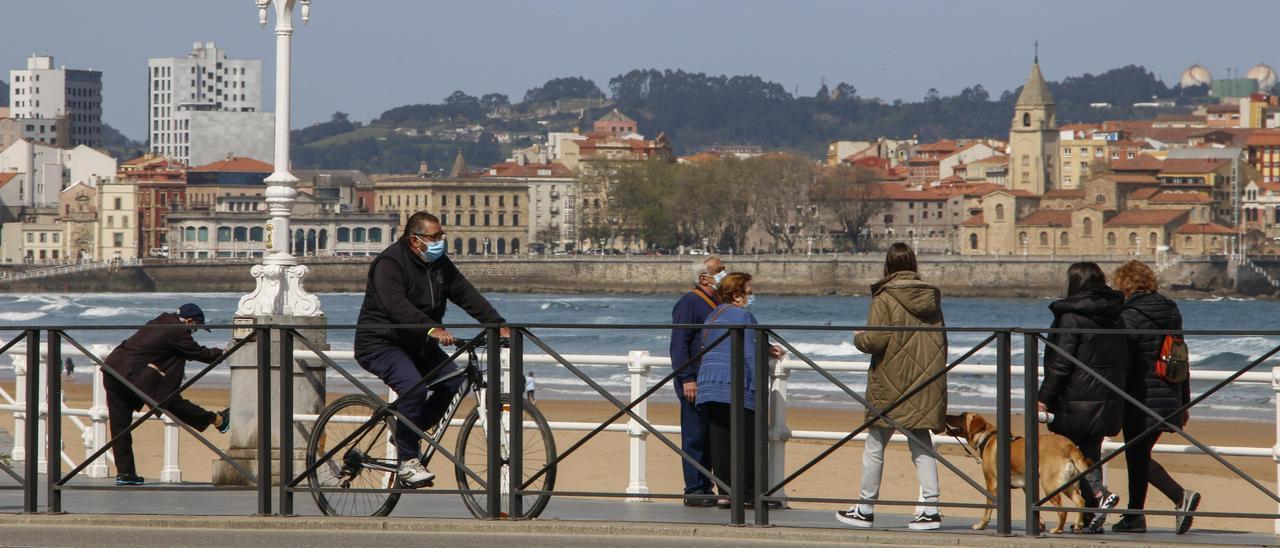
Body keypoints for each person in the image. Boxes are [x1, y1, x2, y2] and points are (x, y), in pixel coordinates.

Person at [355, 211, 509, 487]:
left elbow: (465, 293)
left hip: (419, 345)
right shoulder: (390, 263)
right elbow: (395, 305)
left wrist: (497, 324)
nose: (440, 241)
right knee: (414, 388)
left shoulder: (439, 264)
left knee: (453, 383)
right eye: (435, 237)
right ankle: (407, 462)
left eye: (442, 236)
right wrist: (431, 328)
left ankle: (405, 430)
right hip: (381, 343)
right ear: (415, 240)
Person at [837, 243, 947, 531]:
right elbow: (941, 342)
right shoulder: (930, 297)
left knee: (875, 445)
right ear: (913, 263)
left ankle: (865, 507)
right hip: (924, 381)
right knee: (922, 445)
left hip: (890, 380)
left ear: (887, 265)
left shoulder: (884, 297)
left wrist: (859, 338)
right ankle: (931, 509)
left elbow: (875, 341)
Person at [1037, 262, 1129, 533]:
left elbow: (1061, 363)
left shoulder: (1071, 316)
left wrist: (1045, 396)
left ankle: (1099, 497)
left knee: (1065, 453)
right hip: (1107, 398)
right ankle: (1090, 516)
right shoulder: (1117, 315)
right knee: (1089, 452)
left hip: (1074, 398)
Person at [1111, 260, 1200, 535]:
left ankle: (1178, 496)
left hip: (1140, 395)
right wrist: (1183, 400)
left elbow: (1123, 359)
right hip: (1169, 391)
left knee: (1136, 454)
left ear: (1125, 284)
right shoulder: (1170, 310)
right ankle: (1134, 516)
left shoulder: (1129, 314)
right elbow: (1180, 355)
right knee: (1137, 454)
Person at [102, 303, 229, 486]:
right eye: (196, 328)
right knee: (169, 400)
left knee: (120, 427)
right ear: (190, 321)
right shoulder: (177, 331)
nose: (194, 332)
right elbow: (199, 353)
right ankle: (216, 419)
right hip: (132, 375)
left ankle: (125, 473)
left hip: (113, 369)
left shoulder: (161, 320)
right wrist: (225, 352)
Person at [695, 272, 783, 508]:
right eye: (749, 292)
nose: (751, 297)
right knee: (749, 441)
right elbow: (749, 352)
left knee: (721, 441)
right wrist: (757, 390)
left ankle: (726, 492)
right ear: (737, 295)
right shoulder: (743, 315)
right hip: (733, 385)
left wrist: (765, 346)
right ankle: (753, 495)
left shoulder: (713, 315)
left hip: (709, 385)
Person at [669, 256, 725, 507]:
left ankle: (706, 486)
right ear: (704, 278)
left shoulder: (716, 302)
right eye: (719, 270)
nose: (724, 274)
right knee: (694, 436)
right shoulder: (689, 303)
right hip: (695, 380)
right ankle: (694, 489)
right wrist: (686, 378)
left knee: (709, 437)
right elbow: (679, 344)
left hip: (712, 381)